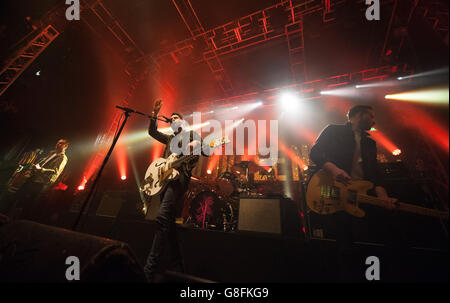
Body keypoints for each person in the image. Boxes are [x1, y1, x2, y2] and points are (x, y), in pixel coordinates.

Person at [309, 105, 398, 282]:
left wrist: (382, 197)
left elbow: (374, 176)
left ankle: (374, 274)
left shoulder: (369, 143)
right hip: (335, 192)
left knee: (379, 237)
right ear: (358, 115)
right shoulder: (333, 130)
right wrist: (335, 170)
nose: (374, 121)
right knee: (344, 242)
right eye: (371, 116)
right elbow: (315, 153)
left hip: (360, 194)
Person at [144, 99, 210, 283]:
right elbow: (151, 131)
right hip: (165, 180)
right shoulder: (169, 138)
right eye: (171, 118)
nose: (172, 120)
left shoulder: (192, 135)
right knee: (170, 224)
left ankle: (149, 269)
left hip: (179, 179)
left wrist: (195, 146)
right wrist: (155, 113)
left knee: (162, 217)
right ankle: (178, 267)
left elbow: (208, 151)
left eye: (176, 118)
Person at [0, 139, 69, 220]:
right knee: (18, 195)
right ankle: (6, 215)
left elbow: (55, 172)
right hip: (34, 178)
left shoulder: (62, 158)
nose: (58, 144)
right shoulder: (52, 153)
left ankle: (19, 220)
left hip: (42, 182)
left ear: (65, 146)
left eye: (61, 143)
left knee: (29, 201)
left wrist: (40, 169)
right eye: (58, 142)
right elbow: (42, 163)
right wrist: (33, 168)